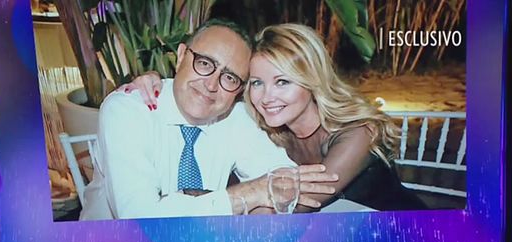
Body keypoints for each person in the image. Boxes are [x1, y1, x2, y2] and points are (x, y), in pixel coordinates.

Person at [126, 23, 425, 211]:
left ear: (312, 79)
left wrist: (197, 198)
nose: (267, 97)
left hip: (409, 241)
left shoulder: (357, 133)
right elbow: (208, 89)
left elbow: (294, 208)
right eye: (257, 82)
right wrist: (156, 82)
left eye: (282, 82)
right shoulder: (269, 128)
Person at [80, 19, 337, 220]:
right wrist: (247, 194)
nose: (211, 85)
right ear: (181, 56)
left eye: (230, 77)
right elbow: (140, 219)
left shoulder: (236, 116)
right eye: (204, 63)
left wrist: (263, 205)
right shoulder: (128, 109)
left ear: (240, 89)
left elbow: (285, 182)